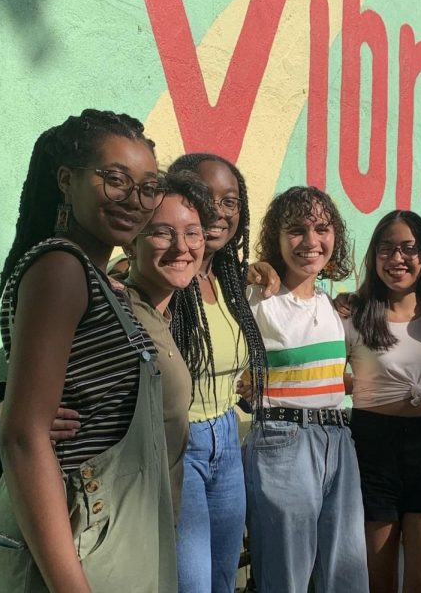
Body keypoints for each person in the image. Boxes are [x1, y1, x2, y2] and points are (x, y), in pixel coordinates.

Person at [0, 109, 177, 592]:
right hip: (72, 540)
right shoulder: (62, 268)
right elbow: (22, 437)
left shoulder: (103, 280)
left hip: (105, 531)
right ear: (67, 180)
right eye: (115, 179)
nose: (134, 200)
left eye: (149, 187)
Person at [242, 186, 368, 593]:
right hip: (282, 441)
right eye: (296, 230)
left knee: (347, 575)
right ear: (276, 239)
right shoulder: (259, 298)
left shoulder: (332, 305)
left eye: (322, 228)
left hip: (338, 440)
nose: (311, 241)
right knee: (286, 576)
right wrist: (248, 269)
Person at [343, 210, 421, 593]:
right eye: (387, 248)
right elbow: (325, 373)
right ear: (374, 255)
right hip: (369, 451)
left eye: (409, 248)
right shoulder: (352, 314)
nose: (397, 258)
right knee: (378, 586)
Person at [166, 153, 268, 593]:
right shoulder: (159, 275)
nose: (218, 212)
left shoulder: (230, 280)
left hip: (227, 439)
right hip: (178, 445)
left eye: (230, 201)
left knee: (223, 578)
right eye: (204, 197)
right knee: (191, 584)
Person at [120, 170, 217, 520]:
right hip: (121, 528)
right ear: (130, 242)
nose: (182, 247)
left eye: (193, 233)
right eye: (162, 232)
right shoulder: (117, 315)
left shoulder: (163, 315)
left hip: (156, 520)